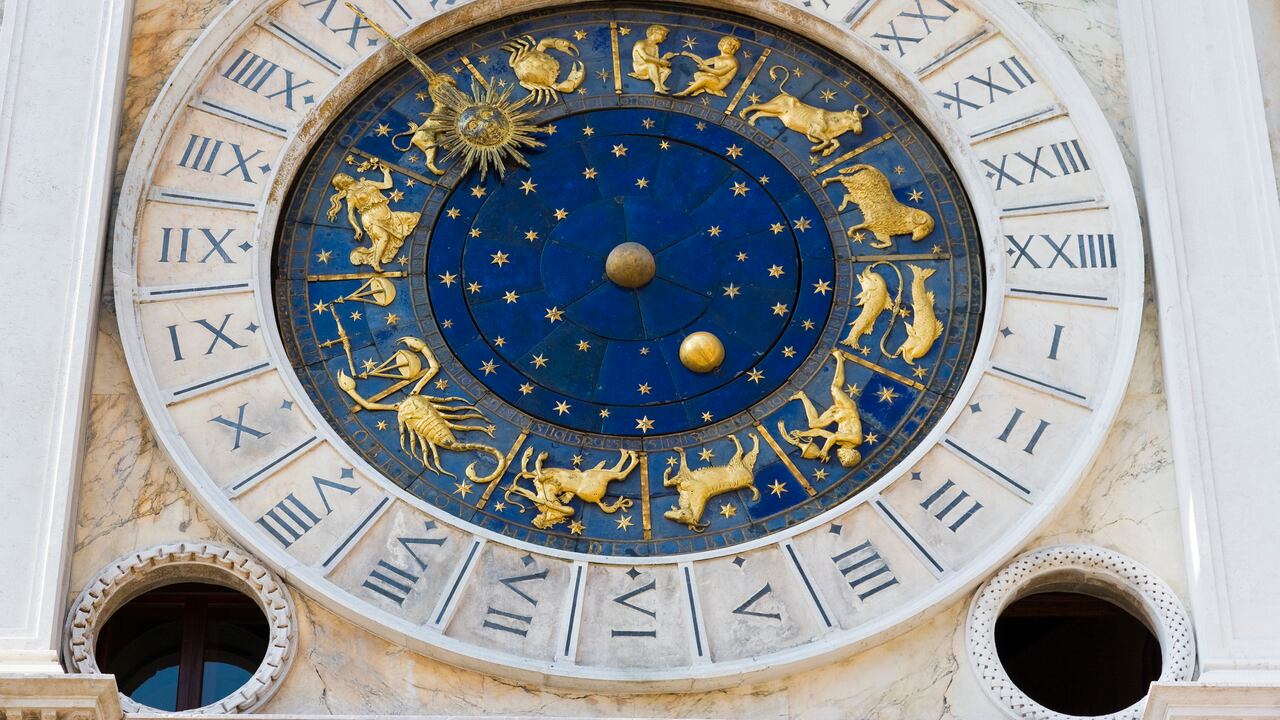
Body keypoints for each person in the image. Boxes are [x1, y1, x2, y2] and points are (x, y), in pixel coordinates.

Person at [325, 161, 421, 272]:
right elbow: (351, 214)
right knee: (384, 237)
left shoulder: (367, 183)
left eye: (345, 175)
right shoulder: (351, 196)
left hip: (385, 213)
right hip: (370, 217)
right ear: (343, 185)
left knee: (412, 218)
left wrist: (386, 173)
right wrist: (357, 229)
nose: (347, 176)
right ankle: (375, 263)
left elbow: (387, 185)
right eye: (344, 178)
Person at [674, 35, 741, 97]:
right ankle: (700, 87)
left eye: (734, 46)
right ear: (722, 43)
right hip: (714, 79)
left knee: (705, 78)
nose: (732, 47)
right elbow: (703, 62)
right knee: (697, 74)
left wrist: (706, 68)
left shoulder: (732, 61)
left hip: (719, 84)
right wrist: (690, 55)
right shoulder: (718, 58)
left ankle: (685, 92)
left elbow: (720, 72)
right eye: (729, 44)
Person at [629, 25, 675, 93]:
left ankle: (660, 84)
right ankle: (657, 87)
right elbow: (645, 57)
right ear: (654, 32)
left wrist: (665, 58)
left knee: (667, 71)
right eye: (663, 35)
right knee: (651, 65)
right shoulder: (641, 43)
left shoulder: (655, 47)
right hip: (640, 67)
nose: (665, 38)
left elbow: (655, 60)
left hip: (652, 66)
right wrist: (660, 61)